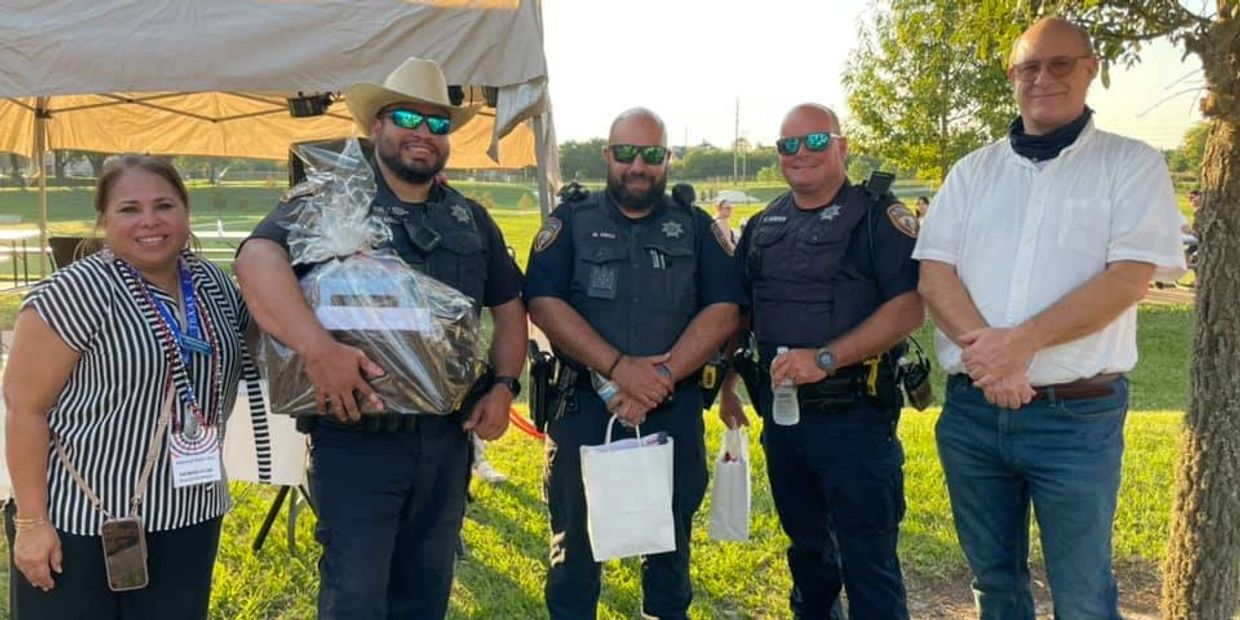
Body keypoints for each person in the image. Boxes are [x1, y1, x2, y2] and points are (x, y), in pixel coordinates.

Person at [234, 57, 527, 619]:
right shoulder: (331, 202)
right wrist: (318, 350)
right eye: (406, 118)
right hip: (357, 439)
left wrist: (506, 386)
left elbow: (510, 309)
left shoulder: (469, 217)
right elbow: (257, 259)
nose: (422, 133)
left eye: (437, 124)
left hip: (446, 441)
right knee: (356, 596)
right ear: (377, 128)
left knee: (426, 590)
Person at [913, 18, 1186, 618]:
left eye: (1061, 63)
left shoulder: (1131, 165)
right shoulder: (971, 172)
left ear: (1092, 69)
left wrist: (1020, 346)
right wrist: (993, 362)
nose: (1043, 78)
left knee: (1083, 593)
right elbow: (934, 273)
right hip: (973, 417)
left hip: (1076, 419)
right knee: (994, 585)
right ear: (1012, 77)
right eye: (1029, 67)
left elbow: (1128, 279)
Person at [4, 155, 258, 619]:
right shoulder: (74, 293)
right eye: (129, 209)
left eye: (164, 205)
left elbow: (264, 346)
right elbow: (25, 410)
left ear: (185, 210)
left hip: (189, 514)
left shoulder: (213, 285)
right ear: (103, 219)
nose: (149, 221)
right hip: (79, 521)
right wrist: (32, 523)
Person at [524, 107, 744, 620]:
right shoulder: (571, 222)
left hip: (670, 408)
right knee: (575, 550)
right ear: (608, 156)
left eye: (650, 154)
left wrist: (660, 378)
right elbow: (543, 302)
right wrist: (619, 368)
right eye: (625, 153)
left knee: (668, 545)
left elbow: (724, 309)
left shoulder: (694, 226)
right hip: (582, 405)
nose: (637, 166)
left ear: (667, 159)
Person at [722, 103, 922, 619]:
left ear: (842, 146)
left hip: (854, 418)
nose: (801, 154)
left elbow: (909, 307)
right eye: (788, 145)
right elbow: (739, 312)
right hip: (783, 421)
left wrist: (828, 358)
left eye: (815, 141)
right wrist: (724, 385)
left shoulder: (880, 216)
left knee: (869, 563)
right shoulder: (765, 223)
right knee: (808, 554)